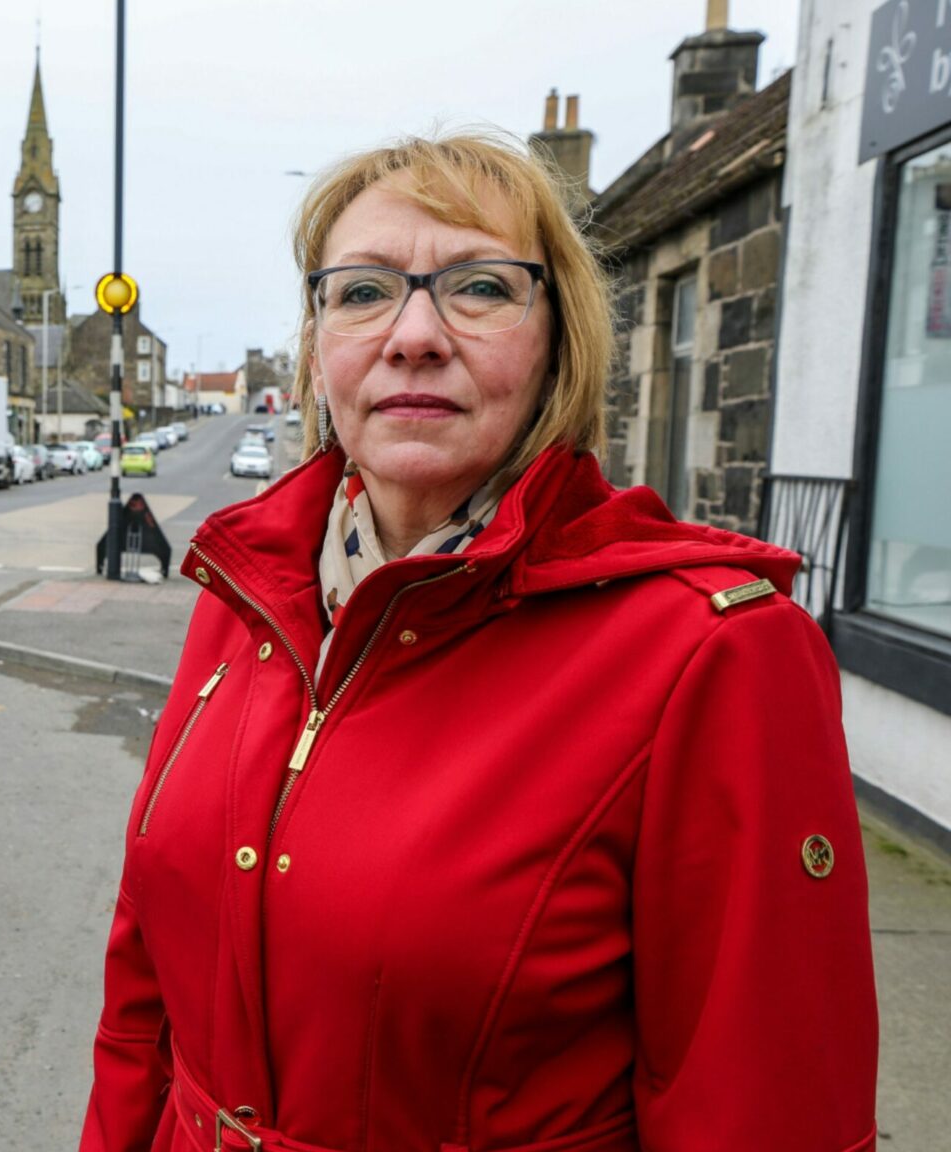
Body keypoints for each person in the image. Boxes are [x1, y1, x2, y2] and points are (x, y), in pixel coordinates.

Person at [80, 132, 877, 1152]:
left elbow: (768, 1116)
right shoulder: (249, 592)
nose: (412, 334)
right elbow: (144, 986)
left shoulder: (712, 654)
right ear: (319, 349)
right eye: (362, 292)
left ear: (558, 344)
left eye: (481, 289)